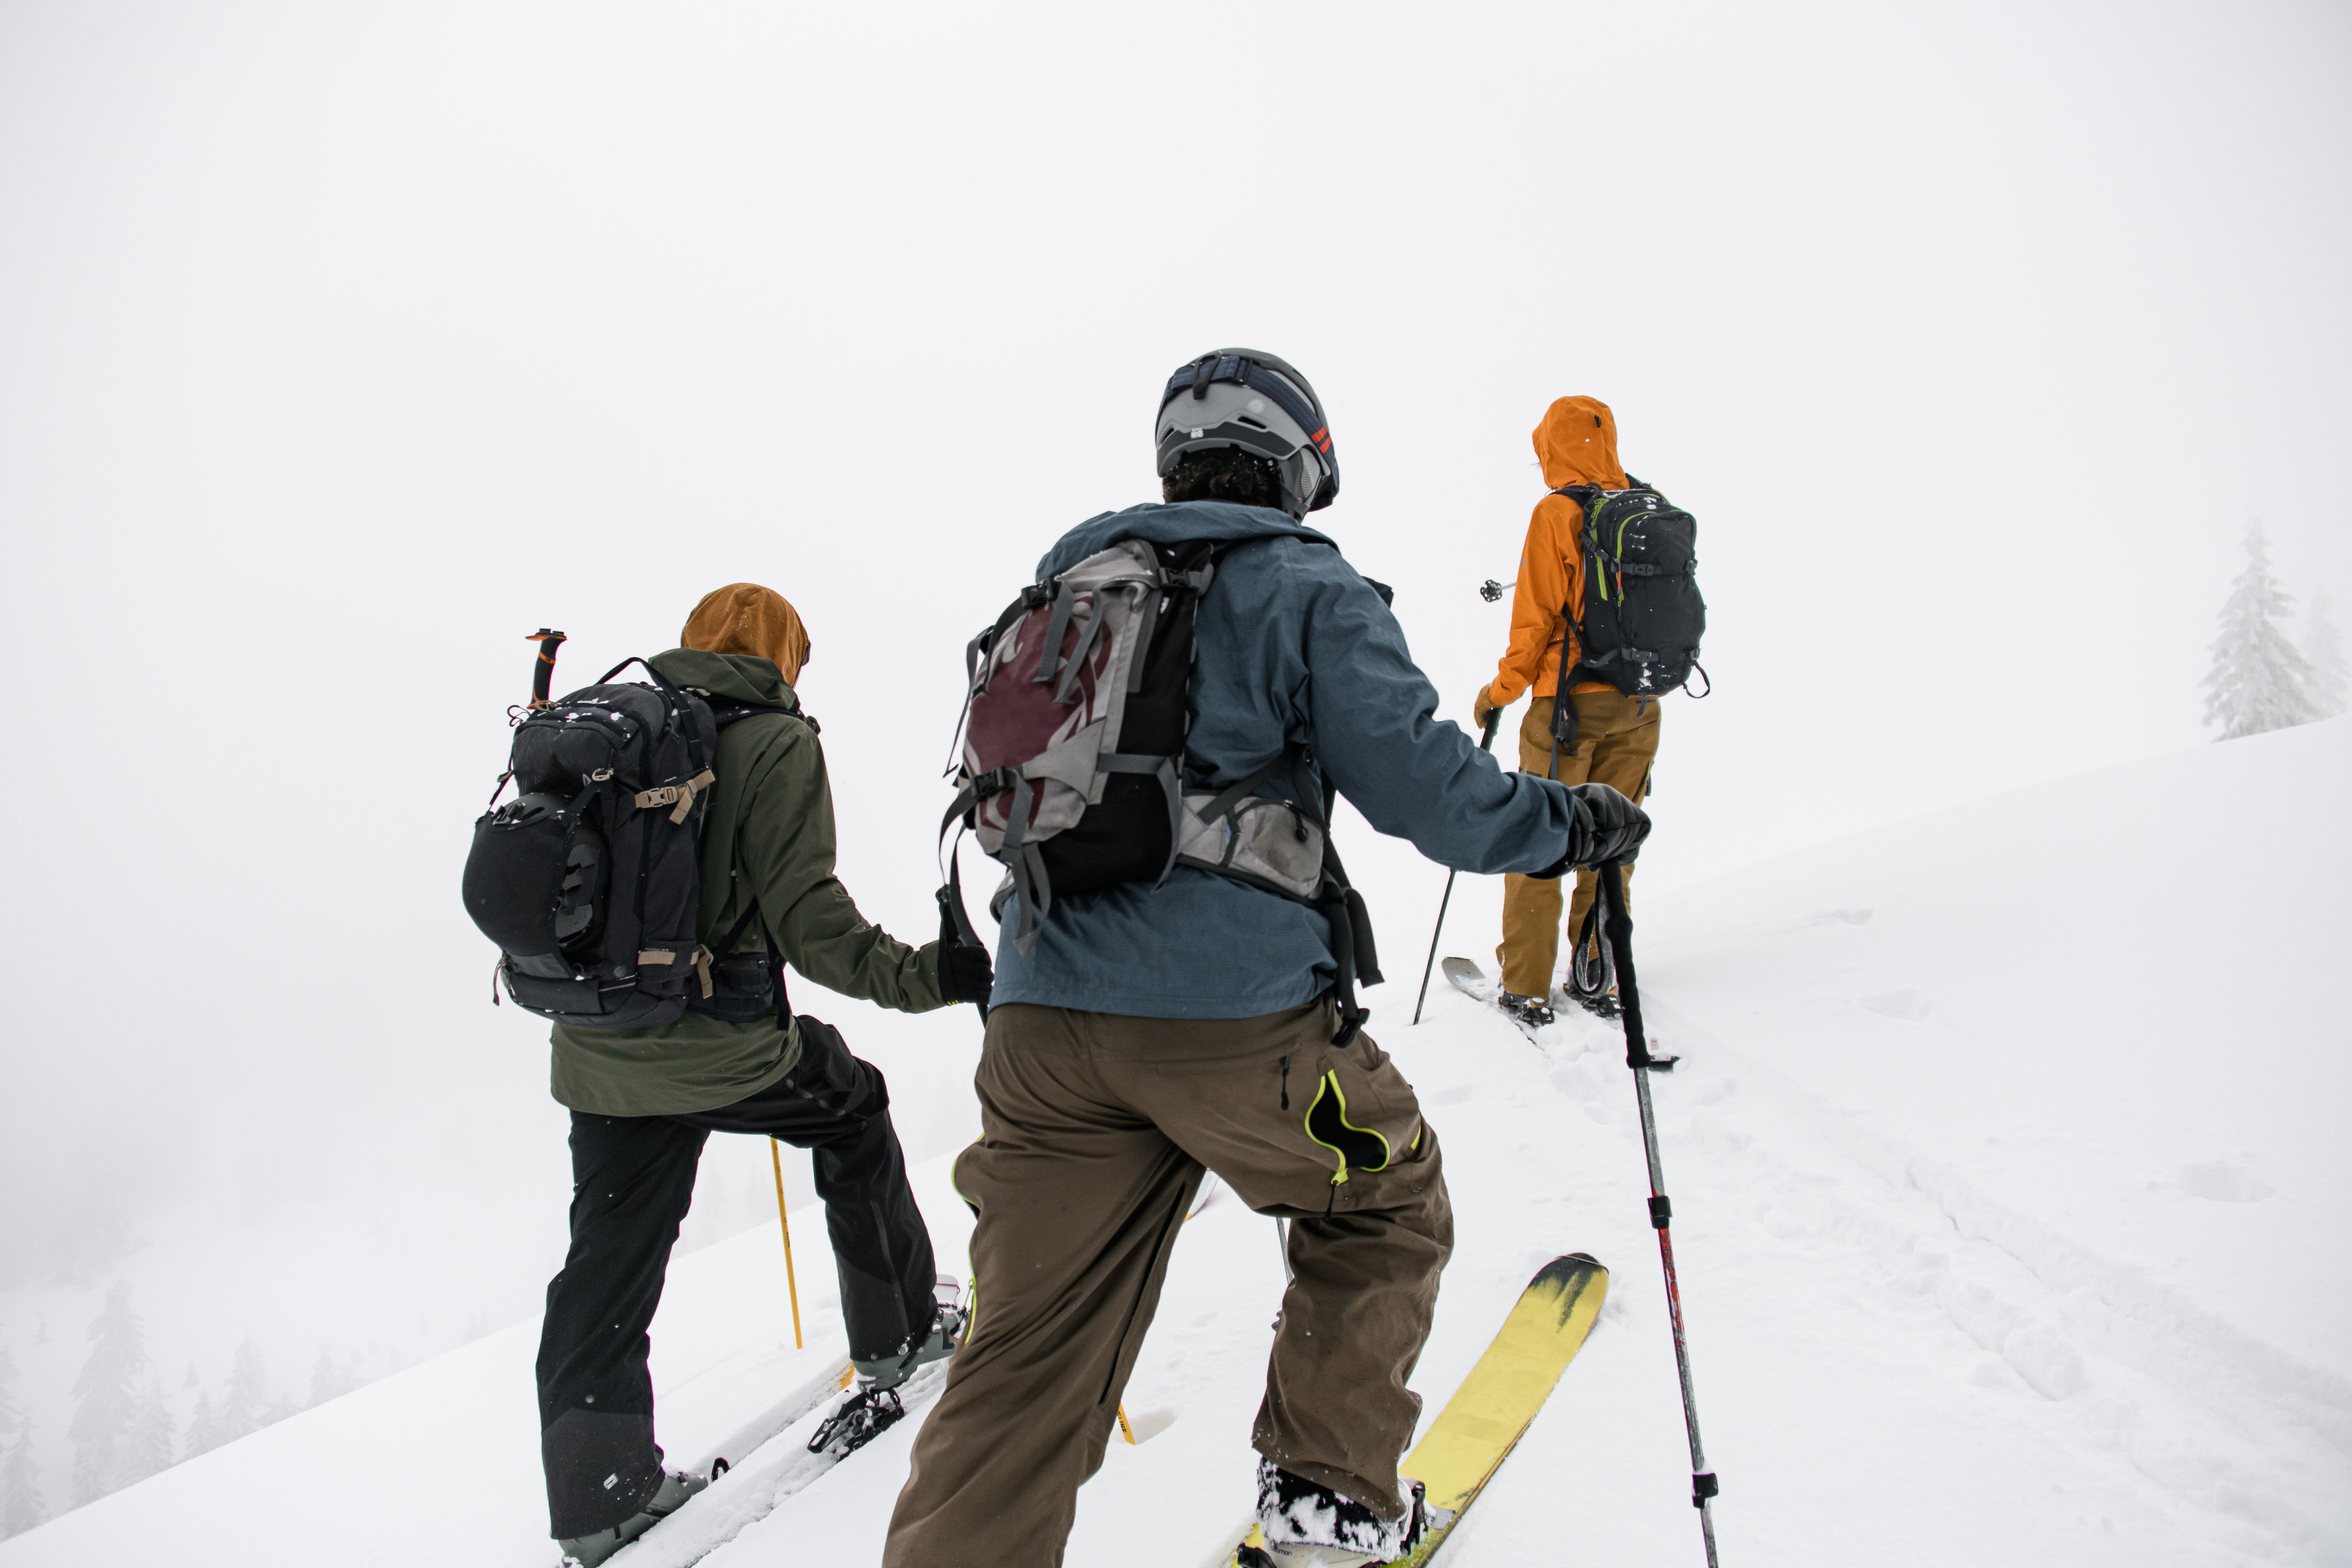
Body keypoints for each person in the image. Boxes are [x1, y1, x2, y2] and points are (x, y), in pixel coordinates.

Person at [884, 352, 1649, 1568]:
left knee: (1025, 1351)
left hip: (1038, 1030)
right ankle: (1331, 1504)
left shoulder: (1071, 582)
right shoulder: (1305, 585)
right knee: (1383, 1203)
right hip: (1231, 1026)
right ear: (1301, 463)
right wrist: (1576, 818)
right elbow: (1435, 800)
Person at [536, 584, 995, 1568]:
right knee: (855, 1109)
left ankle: (596, 1500)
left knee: (607, 1259)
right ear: (783, 656)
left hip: (598, 1051)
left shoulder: (616, 732)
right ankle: (902, 1334)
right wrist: (934, 976)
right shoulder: (777, 741)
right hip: (725, 1048)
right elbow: (814, 928)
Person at [1473, 396, 1664, 1028]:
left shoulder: (1558, 513)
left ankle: (1526, 986)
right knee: (1614, 838)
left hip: (1565, 709)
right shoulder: (1649, 508)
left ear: (1553, 448)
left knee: (1541, 834)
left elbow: (1534, 620)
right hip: (1640, 704)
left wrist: (1500, 692)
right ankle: (1598, 972)